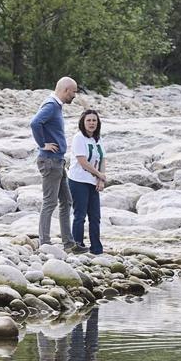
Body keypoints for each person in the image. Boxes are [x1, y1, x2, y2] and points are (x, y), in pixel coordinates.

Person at [30, 76, 78, 251]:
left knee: (66, 201)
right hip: (50, 161)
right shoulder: (51, 105)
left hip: (58, 161)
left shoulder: (55, 105)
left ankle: (69, 243)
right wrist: (43, 144)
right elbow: (35, 123)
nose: (75, 95)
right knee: (49, 202)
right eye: (74, 92)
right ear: (65, 90)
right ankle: (44, 243)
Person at [69, 109, 106, 254]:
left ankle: (96, 248)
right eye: (88, 120)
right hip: (78, 180)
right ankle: (77, 246)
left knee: (95, 216)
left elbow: (102, 158)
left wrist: (100, 179)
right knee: (80, 216)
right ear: (83, 123)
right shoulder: (79, 138)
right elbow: (82, 161)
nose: (91, 123)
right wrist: (99, 175)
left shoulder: (98, 139)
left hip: (93, 181)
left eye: (94, 120)